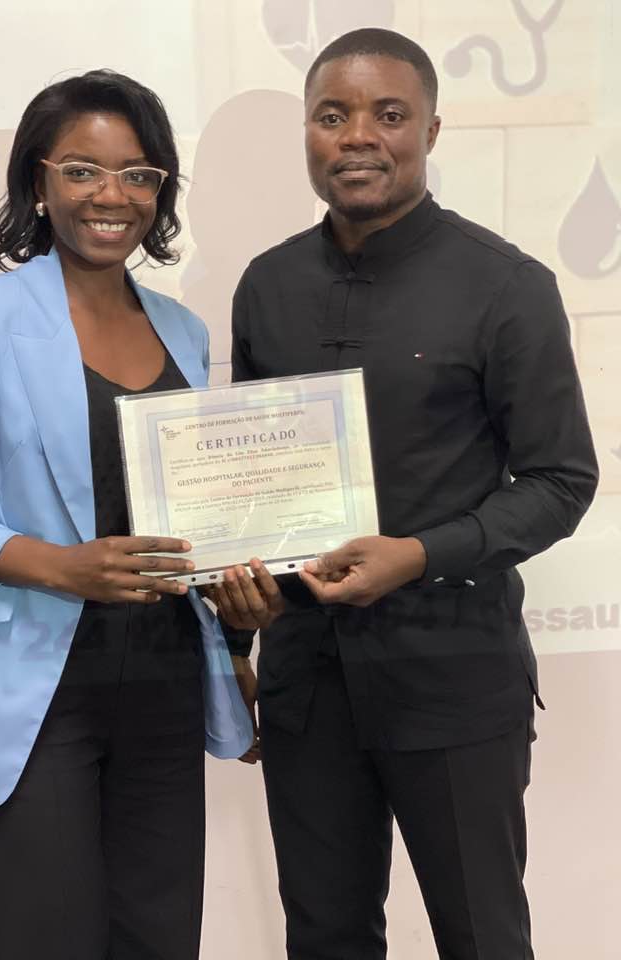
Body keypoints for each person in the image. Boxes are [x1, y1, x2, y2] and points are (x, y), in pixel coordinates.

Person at [213, 28, 599, 960]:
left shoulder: (507, 285)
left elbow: (562, 481)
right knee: (325, 938)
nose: (358, 136)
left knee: (483, 937)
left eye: (388, 115)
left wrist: (419, 555)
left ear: (430, 128)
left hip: (455, 677)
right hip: (308, 686)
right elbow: (247, 492)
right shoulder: (266, 286)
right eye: (331, 115)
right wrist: (236, 635)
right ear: (308, 133)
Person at [0, 70, 251, 960]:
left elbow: (195, 510)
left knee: (157, 936)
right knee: (40, 935)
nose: (112, 195)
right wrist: (58, 565)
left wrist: (241, 621)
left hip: (165, 675)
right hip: (34, 678)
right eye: (83, 170)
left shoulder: (183, 329)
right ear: (39, 182)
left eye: (138, 174)